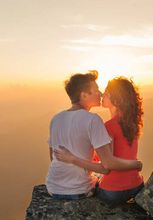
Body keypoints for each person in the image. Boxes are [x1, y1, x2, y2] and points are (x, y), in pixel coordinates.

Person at [46, 71, 142, 200]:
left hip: (53, 187)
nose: (100, 93)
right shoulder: (93, 120)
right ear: (84, 95)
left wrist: (71, 160)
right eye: (96, 90)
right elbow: (106, 167)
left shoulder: (56, 118)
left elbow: (54, 157)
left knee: (98, 176)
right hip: (80, 190)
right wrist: (136, 164)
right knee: (99, 176)